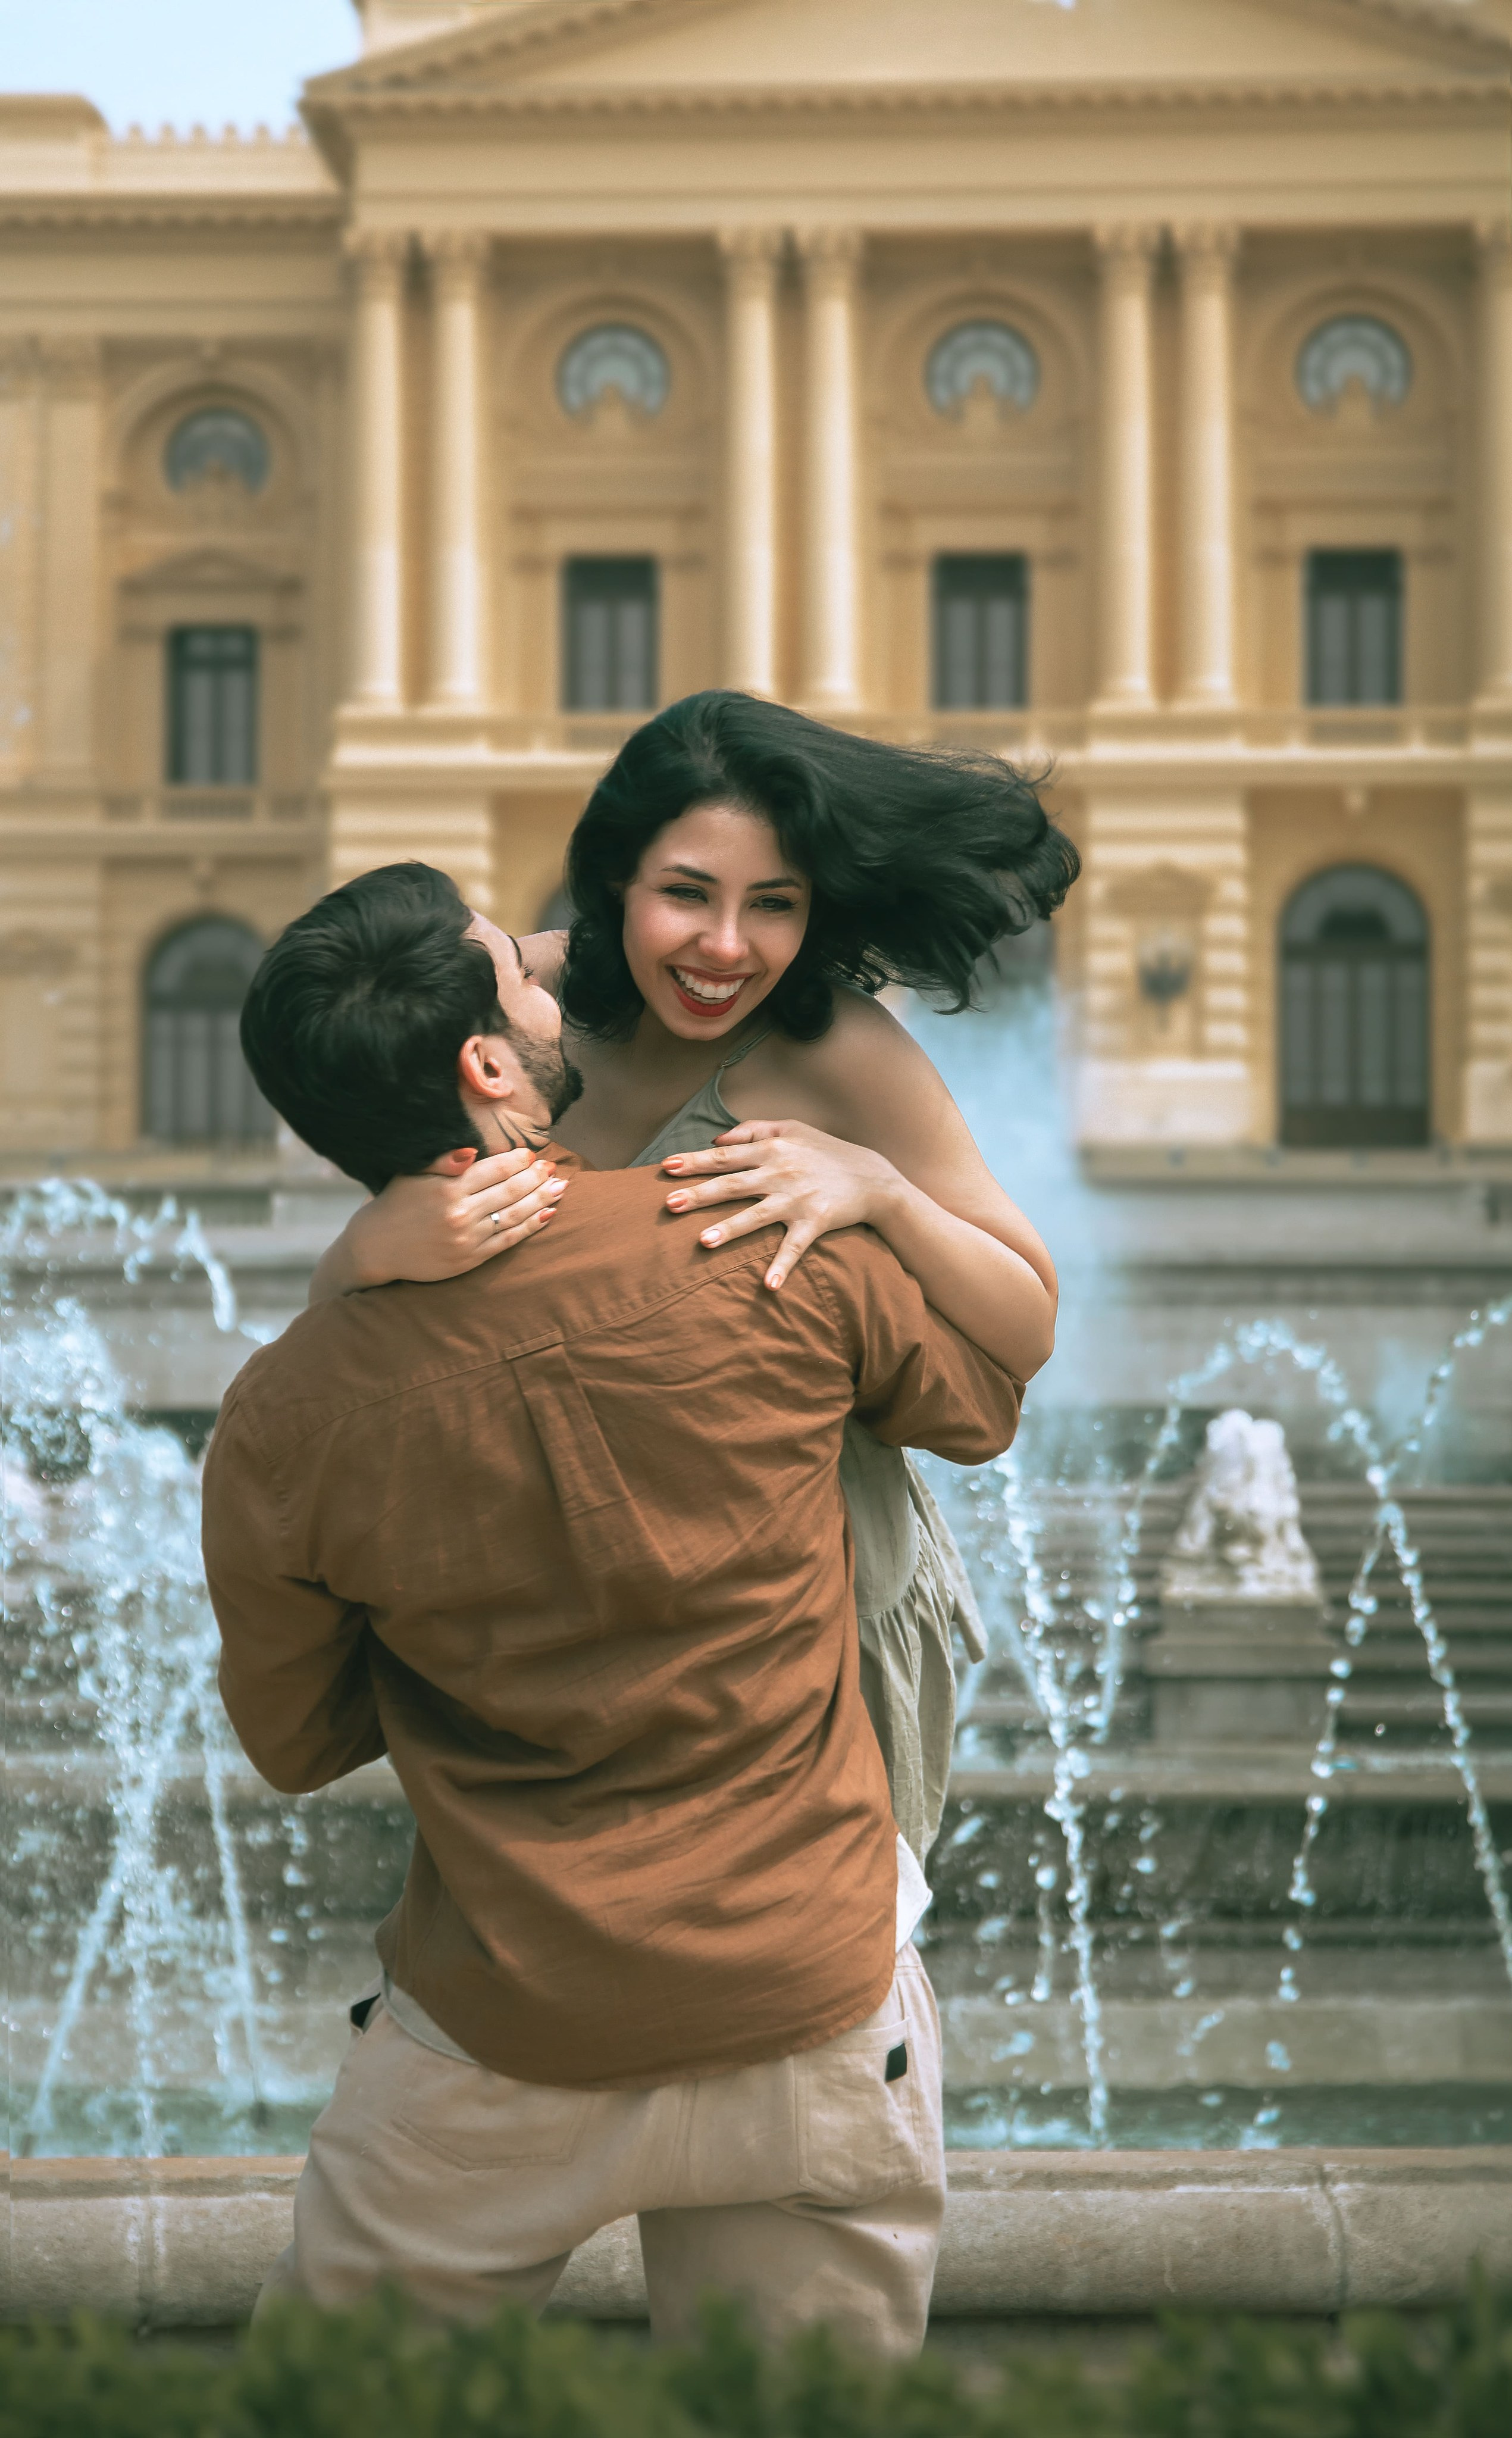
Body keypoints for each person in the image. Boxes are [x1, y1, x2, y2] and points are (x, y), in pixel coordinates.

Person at [205, 861, 1025, 2354]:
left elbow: (297, 1739)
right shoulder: (757, 1230)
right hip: (810, 2000)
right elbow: (980, 1401)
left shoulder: (282, 1413)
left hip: (498, 2034)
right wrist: (875, 1196)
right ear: (486, 1064)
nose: (552, 978)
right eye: (516, 976)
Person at [308, 690, 1077, 1862]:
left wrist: (877, 1188)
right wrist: (366, 1248)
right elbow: (360, 1340)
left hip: (818, 1615)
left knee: (816, 1954)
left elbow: (1024, 1323)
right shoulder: (511, 1011)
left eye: (774, 904)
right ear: (615, 880)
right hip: (572, 1617)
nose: (725, 948)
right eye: (686, 894)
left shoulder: (837, 1051)